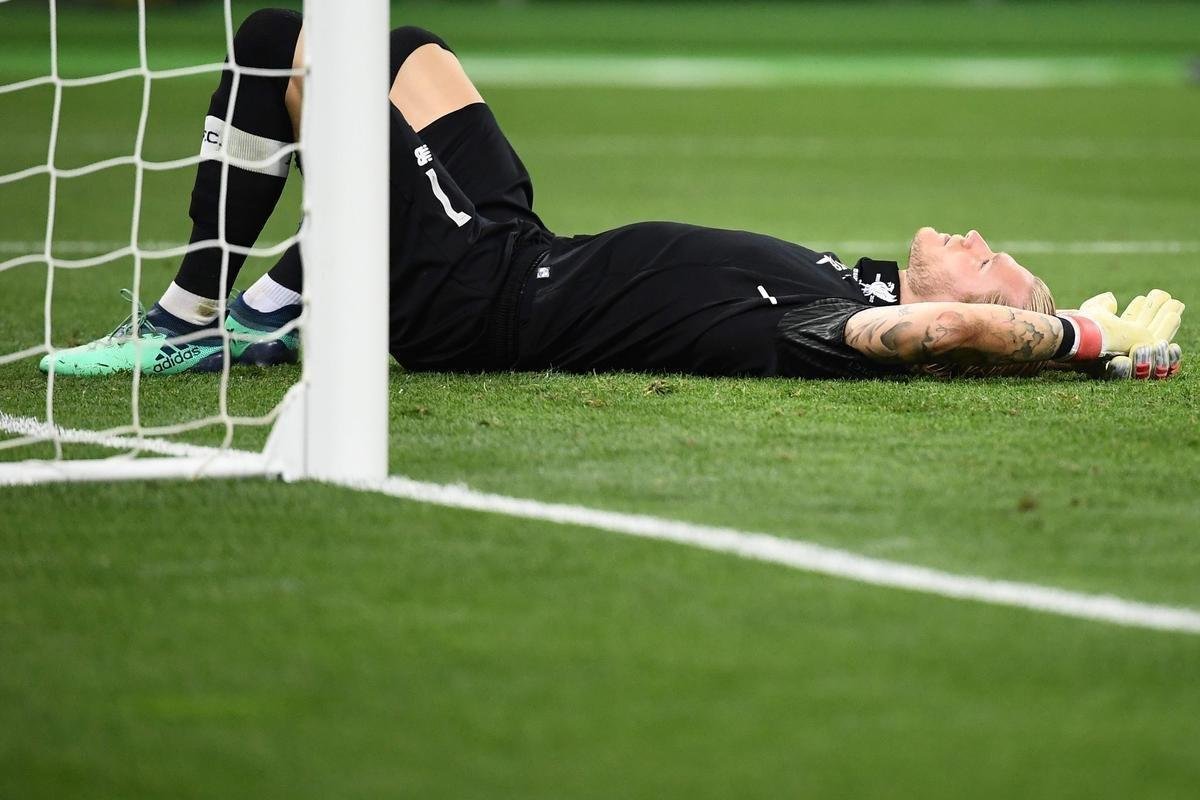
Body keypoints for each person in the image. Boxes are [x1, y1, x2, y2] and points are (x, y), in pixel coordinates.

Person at [40, 10, 1184, 381]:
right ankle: (294, 290)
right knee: (407, 45)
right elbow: (960, 308)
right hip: (517, 240)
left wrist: (1079, 336)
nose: (979, 239)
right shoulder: (861, 273)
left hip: (477, 294)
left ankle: (190, 321)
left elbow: (950, 327)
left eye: (994, 254)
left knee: (290, 42)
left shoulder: (845, 326)